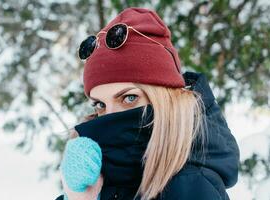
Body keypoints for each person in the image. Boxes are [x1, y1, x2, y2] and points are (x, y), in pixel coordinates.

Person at [55, 7, 240, 200]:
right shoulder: (112, 172)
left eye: (129, 98)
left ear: (164, 99)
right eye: (100, 105)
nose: (110, 118)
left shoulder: (190, 185)